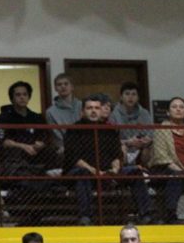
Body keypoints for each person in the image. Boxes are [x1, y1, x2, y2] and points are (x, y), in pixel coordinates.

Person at [64, 95, 150, 225]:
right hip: (82, 174)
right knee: (83, 173)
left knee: (135, 172)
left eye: (97, 108)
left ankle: (146, 215)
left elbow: (117, 154)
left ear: (101, 110)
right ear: (82, 111)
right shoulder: (73, 130)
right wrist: (95, 171)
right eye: (89, 108)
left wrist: (115, 168)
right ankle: (85, 217)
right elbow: (74, 158)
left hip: (107, 172)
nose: (93, 111)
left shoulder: (109, 130)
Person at [0, 81, 54, 220]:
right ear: (12, 97)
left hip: (36, 160)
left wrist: (40, 144)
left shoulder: (37, 117)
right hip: (15, 162)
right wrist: (23, 146)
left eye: (25, 94)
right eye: (18, 94)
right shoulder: (4, 117)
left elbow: (45, 137)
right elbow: (2, 141)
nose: (22, 97)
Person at [150, 97, 184, 224]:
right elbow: (162, 157)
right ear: (168, 112)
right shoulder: (161, 130)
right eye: (174, 107)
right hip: (165, 169)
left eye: (181, 107)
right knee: (177, 175)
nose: (178, 109)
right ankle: (170, 214)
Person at [110, 82, 153, 166]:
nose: (130, 97)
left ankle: (147, 171)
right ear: (121, 97)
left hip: (141, 147)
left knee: (151, 147)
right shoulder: (113, 114)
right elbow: (111, 139)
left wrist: (145, 141)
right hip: (123, 146)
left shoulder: (144, 113)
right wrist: (128, 142)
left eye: (134, 94)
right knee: (121, 148)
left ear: (138, 98)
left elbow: (151, 134)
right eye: (127, 94)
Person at [45, 73, 82, 153]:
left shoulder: (82, 106)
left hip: (85, 145)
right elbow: (56, 135)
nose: (63, 86)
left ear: (72, 87)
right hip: (66, 149)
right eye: (59, 84)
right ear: (55, 88)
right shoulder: (50, 112)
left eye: (66, 84)